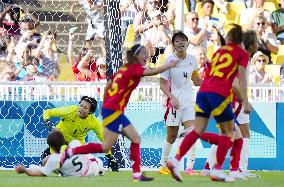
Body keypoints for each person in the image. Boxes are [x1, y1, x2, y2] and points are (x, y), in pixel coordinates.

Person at [59, 43, 179, 182]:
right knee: (116, 144)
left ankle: (136, 174)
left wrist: (107, 101)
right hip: (113, 111)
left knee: (126, 142)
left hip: (113, 109)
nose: (147, 55)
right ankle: (71, 151)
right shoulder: (134, 68)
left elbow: (109, 83)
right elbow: (151, 72)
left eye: (147, 53)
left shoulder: (124, 68)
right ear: (135, 56)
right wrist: (169, 65)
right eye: (144, 53)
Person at [167, 24, 252, 182]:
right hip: (219, 94)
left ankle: (176, 160)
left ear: (229, 38)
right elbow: (240, 79)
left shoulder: (219, 52)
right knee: (229, 133)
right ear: (241, 40)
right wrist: (245, 101)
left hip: (203, 92)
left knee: (198, 130)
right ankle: (217, 170)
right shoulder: (242, 53)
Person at [159, 31, 202, 175]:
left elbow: (196, 80)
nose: (181, 42)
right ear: (173, 44)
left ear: (188, 43)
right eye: (177, 41)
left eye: (183, 40)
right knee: (171, 136)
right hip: (174, 104)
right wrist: (171, 97)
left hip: (188, 102)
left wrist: (212, 82)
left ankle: (190, 167)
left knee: (192, 133)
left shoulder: (192, 60)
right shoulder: (169, 61)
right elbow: (162, 84)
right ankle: (163, 165)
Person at [42, 95, 119, 172]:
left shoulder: (93, 122)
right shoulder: (70, 110)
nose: (81, 109)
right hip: (60, 140)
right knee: (49, 161)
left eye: (85, 108)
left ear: (90, 112)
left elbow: (103, 140)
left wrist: (110, 157)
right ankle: (51, 155)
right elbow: (47, 112)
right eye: (81, 105)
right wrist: (47, 121)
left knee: (73, 166)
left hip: (76, 145)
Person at [15, 130, 104, 177]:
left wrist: (25, 170)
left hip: (76, 175)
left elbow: (42, 174)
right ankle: (101, 170)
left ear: (52, 147)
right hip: (92, 169)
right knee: (92, 159)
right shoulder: (75, 143)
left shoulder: (54, 159)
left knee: (48, 166)